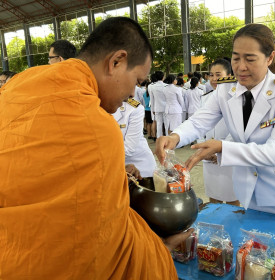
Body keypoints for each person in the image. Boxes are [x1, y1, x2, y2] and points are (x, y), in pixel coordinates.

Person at [0, 17, 191, 279]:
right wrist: (156, 250)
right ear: (116, 62)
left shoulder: (18, 86)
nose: (133, 93)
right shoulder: (96, 127)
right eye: (136, 80)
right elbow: (102, 236)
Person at [156, 24, 275, 222]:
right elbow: (200, 121)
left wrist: (223, 147)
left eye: (250, 59)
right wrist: (175, 137)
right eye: (235, 58)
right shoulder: (226, 89)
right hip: (250, 191)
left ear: (269, 57)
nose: (241, 66)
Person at [200, 58, 240, 206]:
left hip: (227, 156)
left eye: (218, 74)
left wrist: (221, 150)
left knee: (232, 198)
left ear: (230, 75)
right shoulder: (205, 99)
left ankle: (233, 229)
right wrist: (203, 148)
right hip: (208, 156)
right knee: (213, 197)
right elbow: (200, 127)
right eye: (211, 75)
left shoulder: (237, 98)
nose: (214, 79)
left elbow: (238, 130)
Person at [113, 98, 156, 178]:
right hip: (112, 168)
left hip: (139, 167)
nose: (132, 94)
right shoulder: (91, 106)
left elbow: (129, 149)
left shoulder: (133, 108)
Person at [150, 70, 167, 138]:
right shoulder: (166, 86)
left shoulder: (152, 87)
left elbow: (152, 99)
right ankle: (167, 137)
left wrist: (153, 109)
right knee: (166, 124)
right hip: (166, 107)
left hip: (157, 107)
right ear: (163, 77)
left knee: (159, 124)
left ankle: (159, 138)